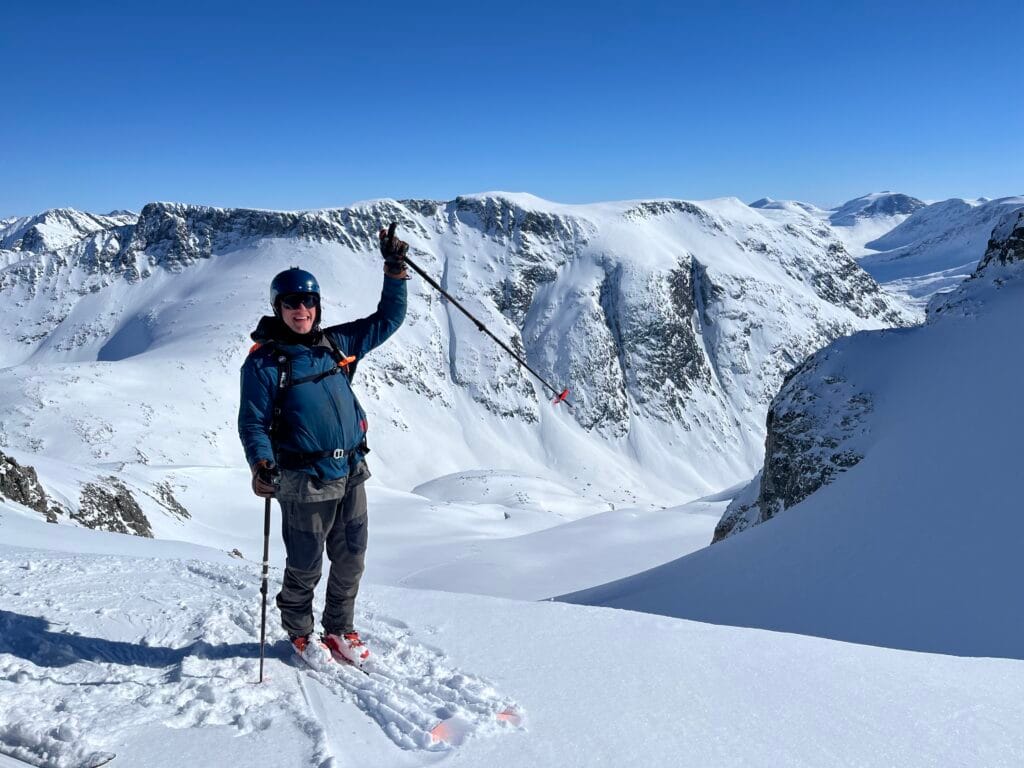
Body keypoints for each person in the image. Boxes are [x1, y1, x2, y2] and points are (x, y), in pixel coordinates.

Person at [237, 224, 409, 666]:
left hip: (351, 471)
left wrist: (394, 271)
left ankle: (339, 629)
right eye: (291, 302)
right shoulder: (265, 363)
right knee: (306, 565)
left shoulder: (336, 345)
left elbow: (386, 320)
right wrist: (261, 464)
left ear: (317, 305)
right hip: (303, 481)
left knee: (351, 559)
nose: (301, 309)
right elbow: (253, 422)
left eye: (308, 301)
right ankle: (299, 633)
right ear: (278, 307)